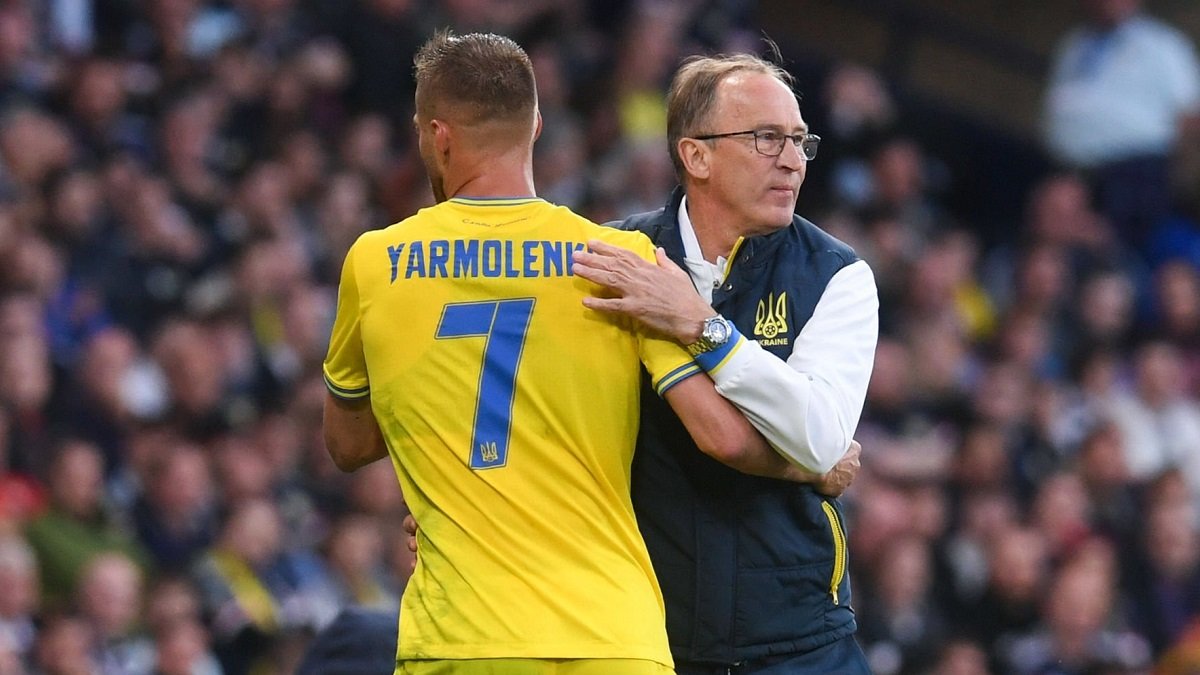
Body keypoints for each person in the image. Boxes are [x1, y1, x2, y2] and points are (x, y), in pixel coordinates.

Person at [320, 31, 837, 675]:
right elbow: (723, 438)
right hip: (614, 639)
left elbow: (348, 445)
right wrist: (811, 469)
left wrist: (441, 431)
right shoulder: (618, 263)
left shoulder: (375, 263)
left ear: (436, 134)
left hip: (464, 640)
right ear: (536, 126)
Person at [570, 51, 879, 673]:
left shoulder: (837, 275)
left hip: (800, 643)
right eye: (767, 138)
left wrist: (702, 327)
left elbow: (820, 437)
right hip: (643, 639)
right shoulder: (608, 261)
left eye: (800, 141)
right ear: (697, 156)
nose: (793, 161)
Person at [1041, 0, 1200, 250]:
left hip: (1134, 176)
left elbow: (1189, 116)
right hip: (1068, 170)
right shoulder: (1074, 43)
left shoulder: (1164, 45)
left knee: (1111, 253)